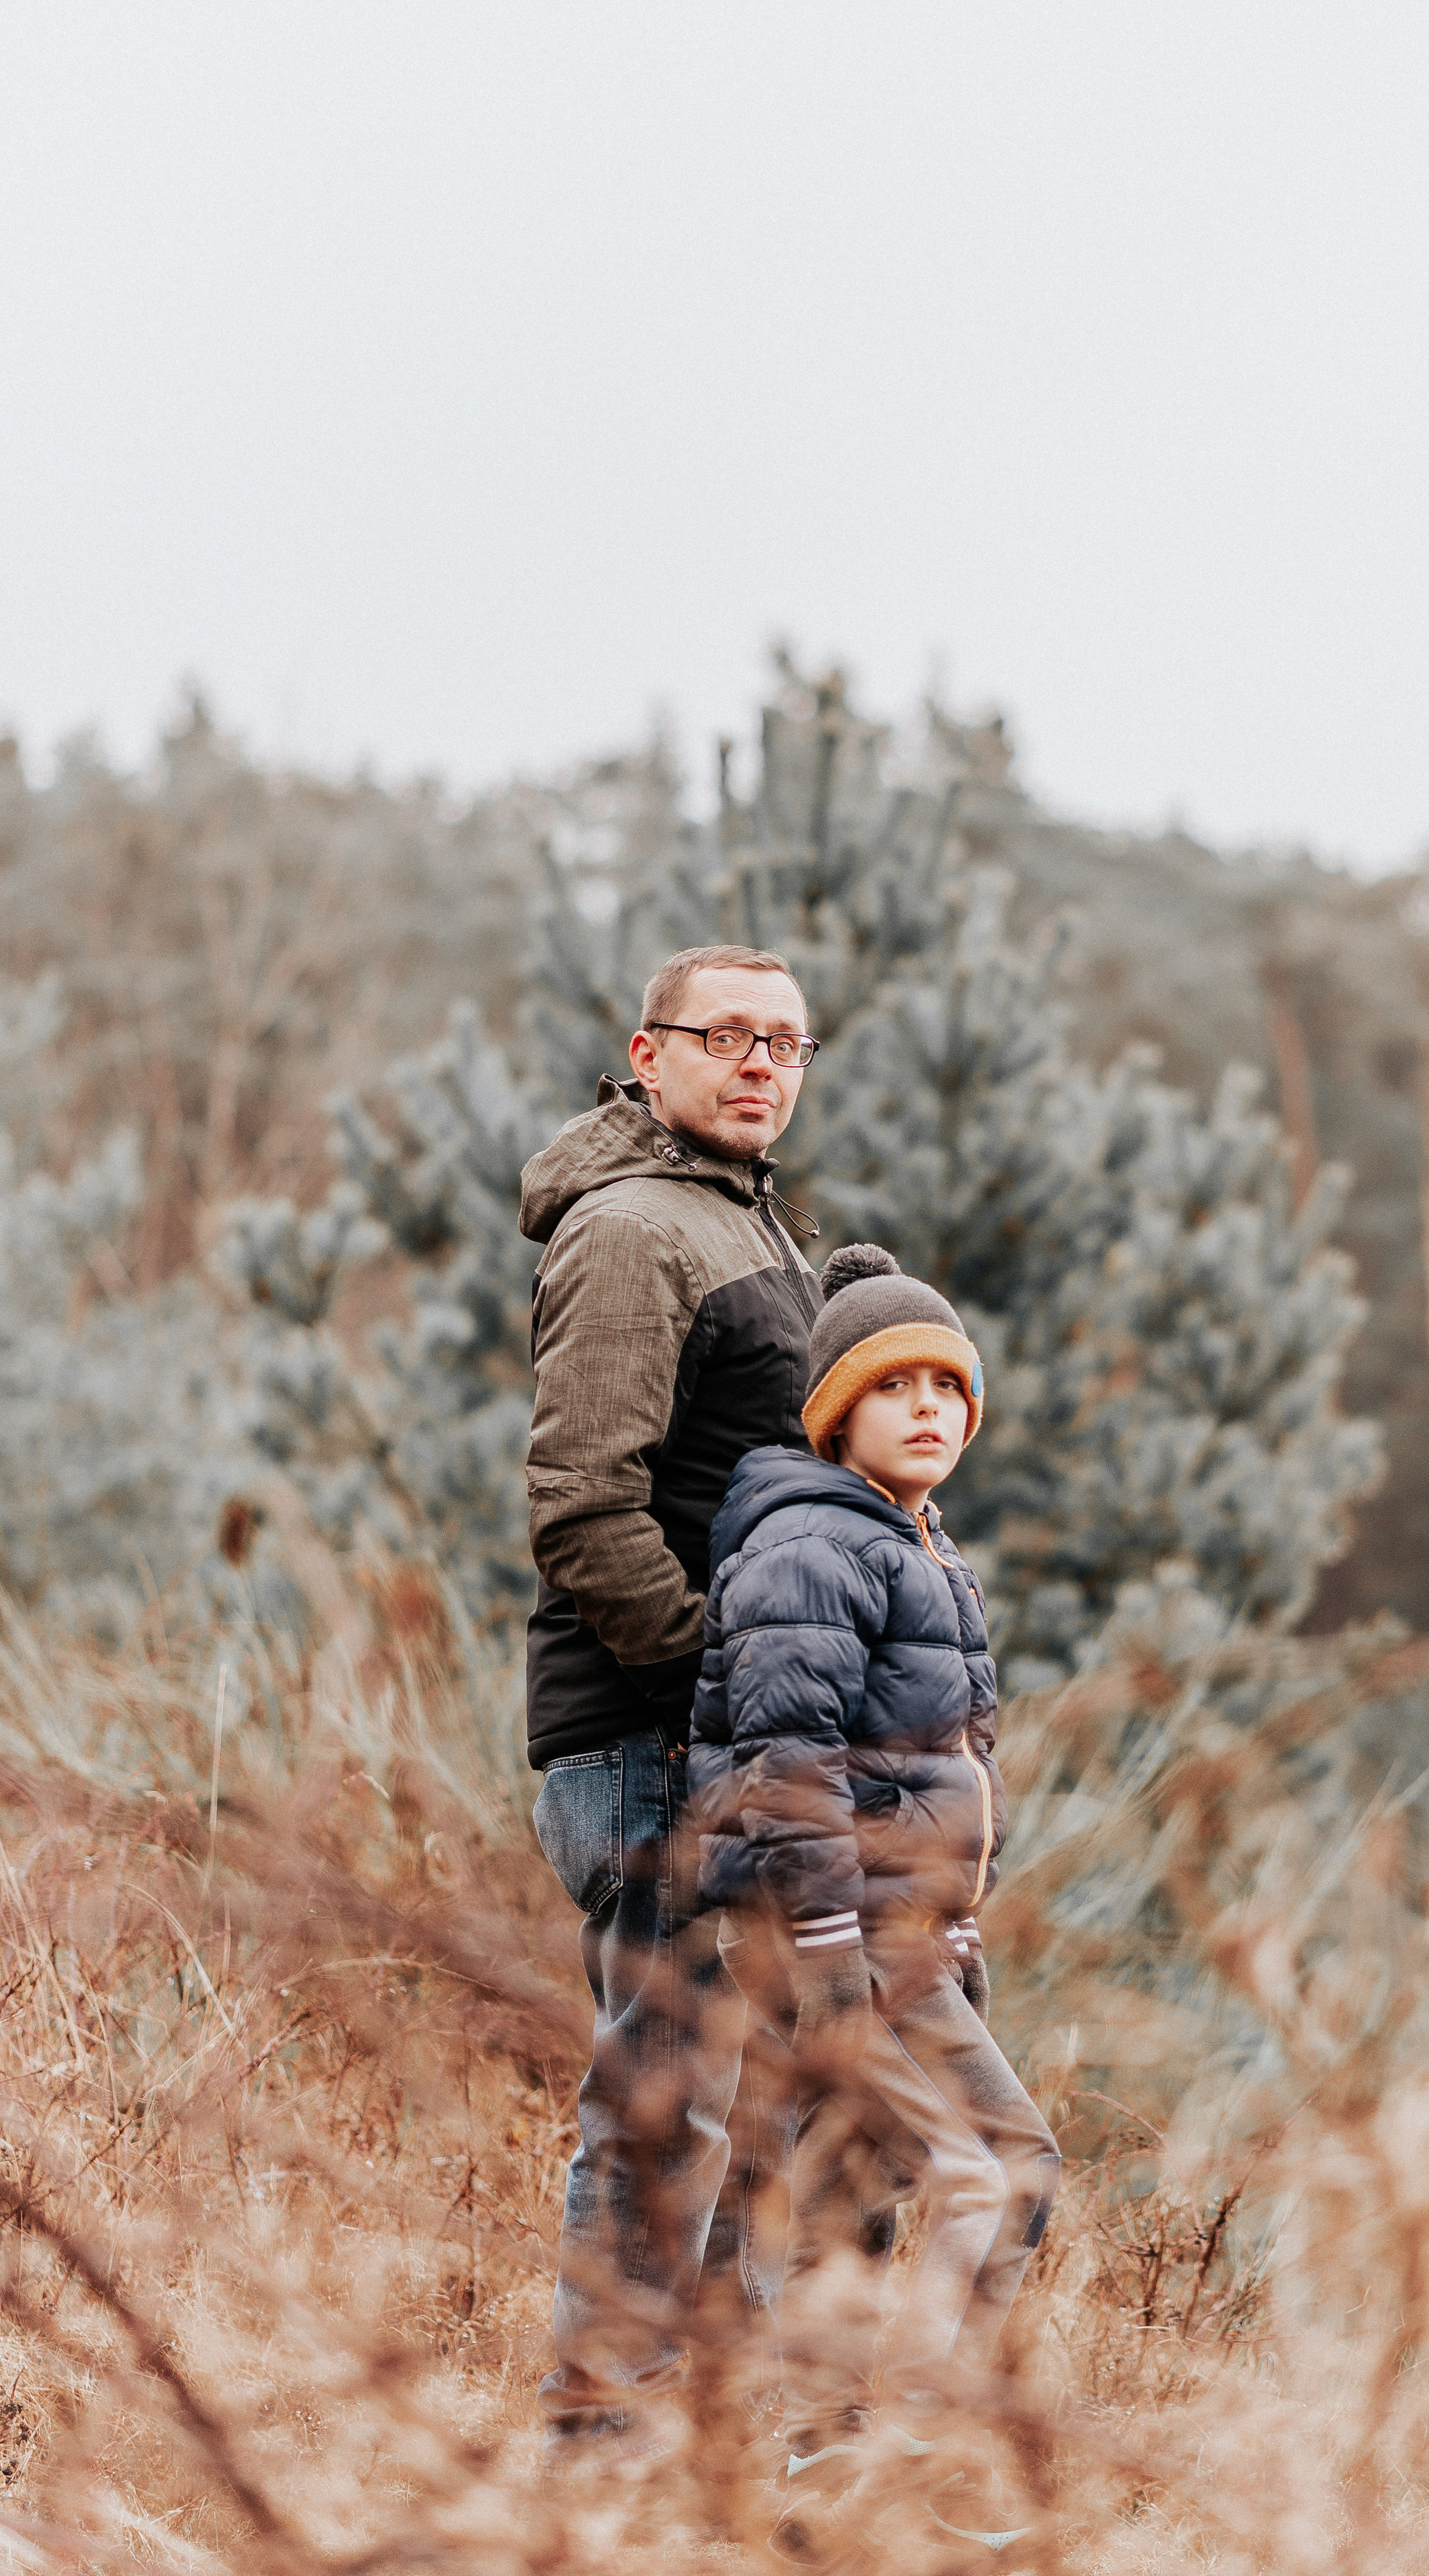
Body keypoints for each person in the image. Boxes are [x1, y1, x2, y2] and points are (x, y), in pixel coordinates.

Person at [688, 1244, 1061, 2537]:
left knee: (848, 2195)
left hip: (901, 1934)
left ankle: (823, 2479)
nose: (929, 1409)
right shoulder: (812, 1545)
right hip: (835, 1935)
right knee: (1004, 2165)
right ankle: (921, 2446)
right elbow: (791, 1770)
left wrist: (955, 1926)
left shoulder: (915, 1547)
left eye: (948, 1386)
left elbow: (944, 1767)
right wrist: (842, 1950)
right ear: (836, 1409)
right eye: (893, 1384)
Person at [520, 942, 823, 2445]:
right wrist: (712, 1685)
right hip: (657, 1741)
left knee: (758, 2092)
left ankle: (713, 2437)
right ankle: (604, 2447)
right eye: (727, 1037)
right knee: (665, 2100)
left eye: (787, 1042)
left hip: (734, 1739)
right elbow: (583, 1503)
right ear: (649, 1057)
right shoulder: (636, 1229)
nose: (760, 1062)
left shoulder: (741, 1228)